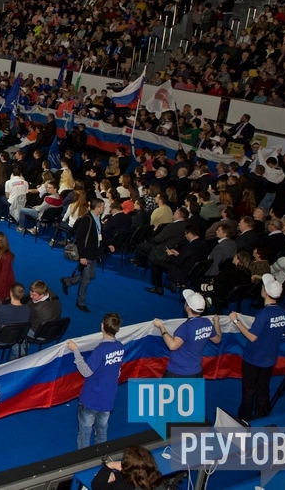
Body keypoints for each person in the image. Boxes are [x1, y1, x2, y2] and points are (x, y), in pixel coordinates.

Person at [232, 274, 285, 422]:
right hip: (270, 359)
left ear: (265, 292)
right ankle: (261, 416)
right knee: (263, 388)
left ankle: (243, 419)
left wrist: (236, 321)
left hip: (253, 359)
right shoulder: (283, 312)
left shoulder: (263, 314)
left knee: (249, 390)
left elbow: (252, 337)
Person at [67, 312, 125, 449]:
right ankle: (101, 455)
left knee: (85, 432)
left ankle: (84, 457)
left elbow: (86, 372)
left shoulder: (100, 350)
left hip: (91, 398)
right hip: (108, 398)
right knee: (102, 431)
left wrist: (76, 351)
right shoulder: (120, 347)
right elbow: (117, 371)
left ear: (102, 326)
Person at [153, 290, 221, 378]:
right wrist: (216, 322)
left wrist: (161, 327)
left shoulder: (186, 327)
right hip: (197, 372)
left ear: (188, 308)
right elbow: (217, 339)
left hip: (178, 373)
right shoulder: (207, 323)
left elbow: (172, 345)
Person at [61, 198, 104, 313]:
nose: (104, 208)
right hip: (87, 253)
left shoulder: (98, 218)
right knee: (86, 281)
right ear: (97, 208)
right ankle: (80, 303)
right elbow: (80, 239)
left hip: (94, 252)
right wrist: (82, 256)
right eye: (102, 206)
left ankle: (67, 281)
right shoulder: (87, 219)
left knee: (91, 276)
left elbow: (99, 234)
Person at [90, 446, 163, 490]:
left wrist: (110, 465)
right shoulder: (154, 478)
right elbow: (135, 474)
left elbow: (96, 486)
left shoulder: (123, 487)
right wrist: (115, 476)